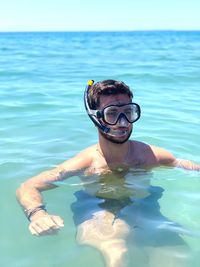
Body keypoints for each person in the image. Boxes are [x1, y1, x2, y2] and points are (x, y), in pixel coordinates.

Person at [16, 80, 200, 267]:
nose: (122, 123)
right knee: (116, 251)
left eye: (128, 112)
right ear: (96, 118)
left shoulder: (149, 155)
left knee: (176, 257)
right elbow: (28, 186)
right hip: (98, 210)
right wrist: (38, 214)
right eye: (112, 113)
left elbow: (182, 164)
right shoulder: (86, 163)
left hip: (145, 209)